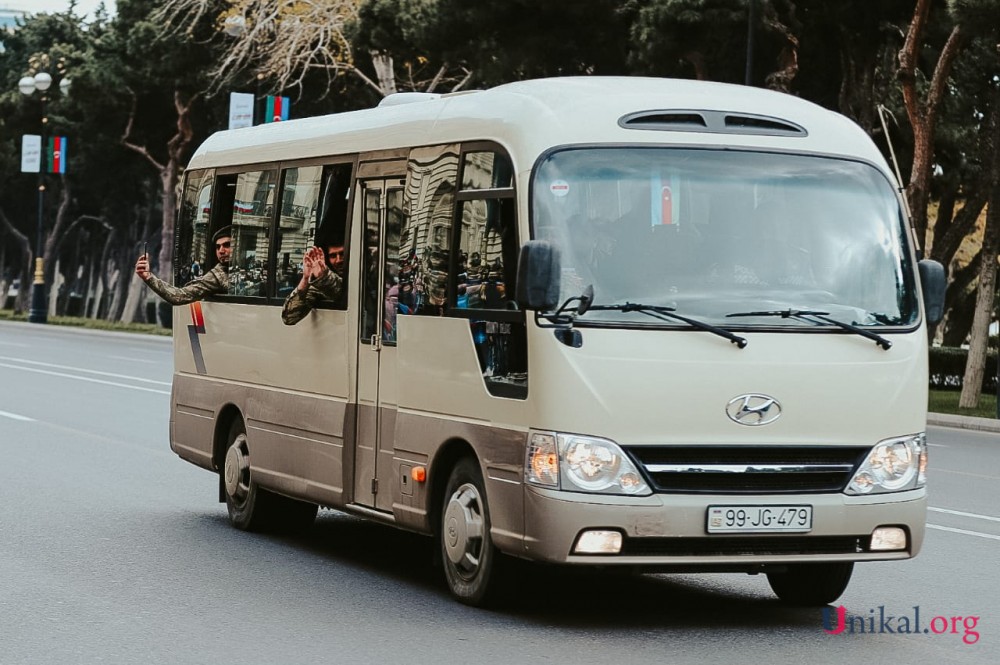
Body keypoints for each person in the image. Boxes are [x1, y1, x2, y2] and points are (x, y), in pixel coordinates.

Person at [136, 226, 232, 304]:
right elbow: (179, 295)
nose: (221, 251)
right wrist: (149, 277)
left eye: (227, 245)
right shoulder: (217, 275)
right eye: (218, 247)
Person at [281, 243, 345, 325]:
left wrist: (324, 278)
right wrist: (305, 279)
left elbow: (347, 294)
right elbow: (289, 318)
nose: (339, 260)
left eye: (342, 254)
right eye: (333, 256)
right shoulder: (319, 284)